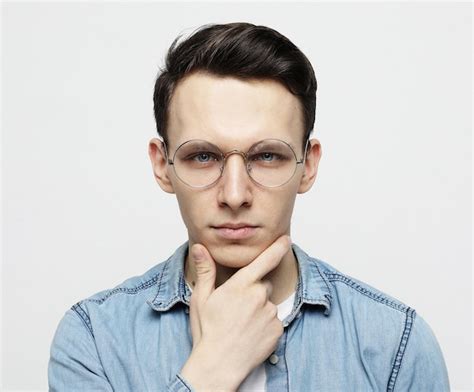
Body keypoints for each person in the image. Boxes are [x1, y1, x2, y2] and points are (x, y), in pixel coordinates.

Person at [48, 22, 450, 391]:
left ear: (307, 166)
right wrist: (212, 369)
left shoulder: (397, 343)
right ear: (162, 165)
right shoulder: (94, 339)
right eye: (203, 156)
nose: (235, 194)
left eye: (268, 156)